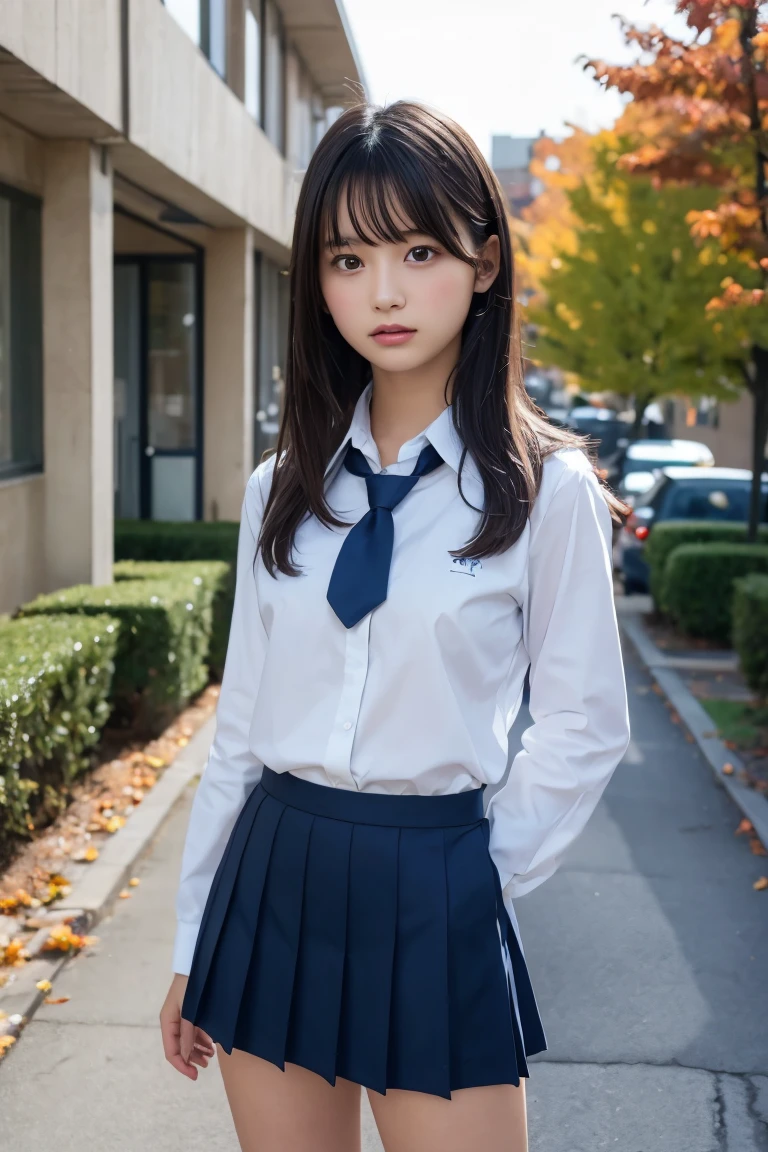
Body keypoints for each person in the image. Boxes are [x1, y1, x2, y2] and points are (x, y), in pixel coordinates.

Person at [159, 99, 632, 1152]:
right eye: (347, 256)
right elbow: (239, 728)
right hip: (272, 880)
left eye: (419, 250)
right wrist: (193, 937)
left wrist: (475, 871)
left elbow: (585, 722)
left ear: (484, 262)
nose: (383, 291)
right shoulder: (281, 488)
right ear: (315, 281)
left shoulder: (544, 491)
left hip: (438, 883)